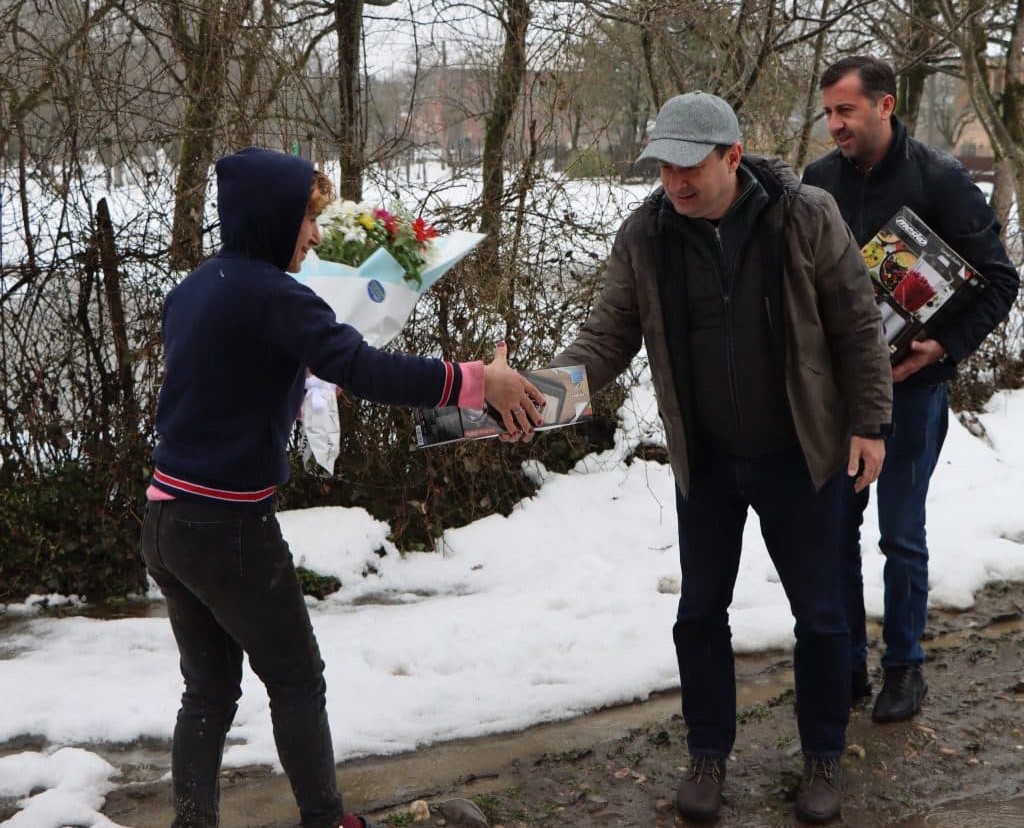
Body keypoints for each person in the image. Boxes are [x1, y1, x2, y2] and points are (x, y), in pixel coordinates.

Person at [141, 146, 544, 828]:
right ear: (273, 218)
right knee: (297, 679)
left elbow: (221, 381)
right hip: (230, 528)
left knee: (207, 690)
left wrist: (290, 382)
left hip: (166, 523)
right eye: (306, 218)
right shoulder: (276, 296)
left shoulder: (194, 289)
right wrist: (476, 381)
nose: (316, 236)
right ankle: (328, 820)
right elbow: (365, 370)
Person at [550, 91, 893, 824]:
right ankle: (708, 754)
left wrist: (870, 421)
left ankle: (823, 756)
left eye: (688, 166)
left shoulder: (805, 216)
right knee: (700, 611)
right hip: (705, 458)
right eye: (663, 165)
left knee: (823, 614)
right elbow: (606, 336)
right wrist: (540, 394)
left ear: (731, 157)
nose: (674, 181)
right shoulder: (647, 235)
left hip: (801, 453)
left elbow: (858, 323)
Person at [803, 55, 1020, 722]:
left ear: (886, 105)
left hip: (914, 389)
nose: (834, 123)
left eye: (847, 110)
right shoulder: (817, 183)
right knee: (835, 530)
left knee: (900, 533)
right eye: (829, 111)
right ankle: (846, 668)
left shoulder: (942, 179)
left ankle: (905, 669)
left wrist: (945, 346)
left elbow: (1001, 280)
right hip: (838, 393)